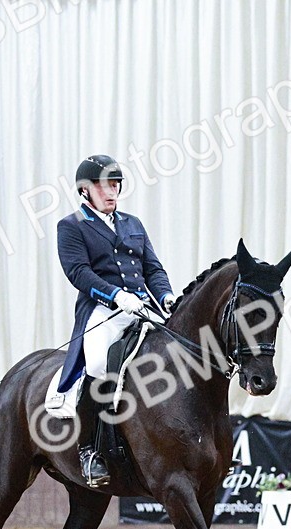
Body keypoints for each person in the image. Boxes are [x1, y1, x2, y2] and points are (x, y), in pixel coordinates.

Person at [56, 154, 176, 488]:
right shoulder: (71, 226)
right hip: (103, 312)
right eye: (103, 185)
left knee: (181, 354)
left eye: (115, 184)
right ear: (85, 191)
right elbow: (79, 272)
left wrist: (165, 296)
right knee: (97, 364)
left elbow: (153, 267)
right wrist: (115, 296)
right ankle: (88, 450)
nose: (111, 191)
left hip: (143, 306)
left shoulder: (133, 223)